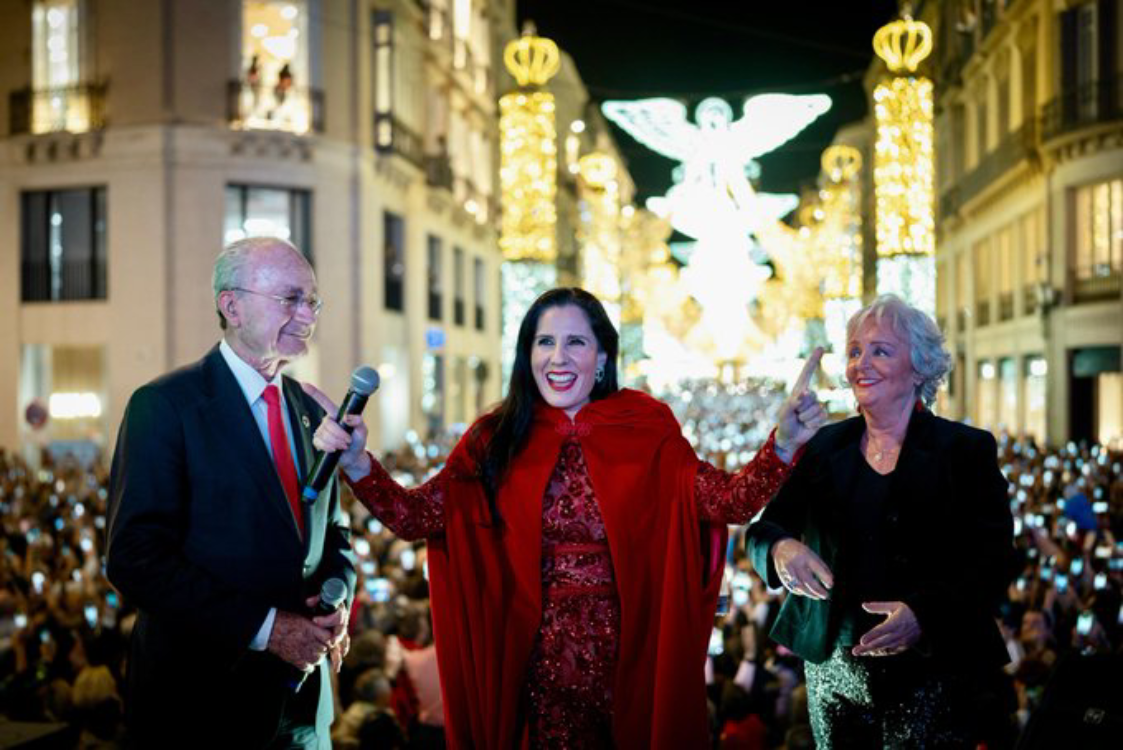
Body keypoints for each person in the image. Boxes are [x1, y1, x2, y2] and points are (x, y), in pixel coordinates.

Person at [308, 287, 827, 748]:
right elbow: (415, 516)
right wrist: (357, 463)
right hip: (528, 660)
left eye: (575, 342)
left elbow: (730, 502)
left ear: (602, 355)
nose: (558, 357)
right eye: (544, 342)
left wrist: (782, 445)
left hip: (630, 655)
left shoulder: (647, 425)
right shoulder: (493, 437)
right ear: (527, 354)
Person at [105, 236, 356, 748]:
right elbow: (134, 558)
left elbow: (332, 530)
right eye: (291, 298)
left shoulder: (310, 409)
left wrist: (338, 595)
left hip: (303, 710)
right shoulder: (166, 405)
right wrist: (268, 628)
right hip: (202, 704)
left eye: (313, 301)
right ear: (232, 305)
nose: (308, 314)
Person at [746, 294, 1015, 748]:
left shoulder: (965, 450)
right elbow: (762, 530)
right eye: (854, 351)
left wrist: (924, 615)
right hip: (833, 674)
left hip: (935, 672)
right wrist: (780, 549)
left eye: (880, 350)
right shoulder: (823, 447)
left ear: (920, 368)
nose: (860, 364)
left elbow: (994, 561)